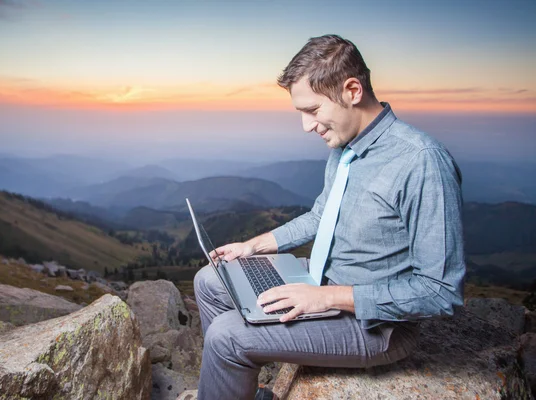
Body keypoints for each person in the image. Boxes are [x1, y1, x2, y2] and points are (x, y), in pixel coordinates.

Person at [193, 34, 465, 400]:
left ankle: (235, 355)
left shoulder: (421, 161)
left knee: (226, 335)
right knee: (211, 280)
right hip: (321, 280)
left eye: (313, 110)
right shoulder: (345, 147)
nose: (307, 126)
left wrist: (327, 298)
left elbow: (440, 291)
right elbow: (322, 215)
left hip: (375, 326)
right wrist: (251, 246)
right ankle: (236, 386)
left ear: (352, 90)